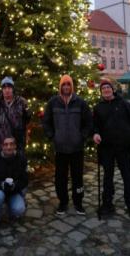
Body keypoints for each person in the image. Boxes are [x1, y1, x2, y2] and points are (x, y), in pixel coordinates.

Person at [93, 80, 130, 219]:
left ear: (112, 89)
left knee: (127, 177)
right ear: (101, 92)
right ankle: (107, 204)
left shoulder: (123, 104)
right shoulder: (98, 107)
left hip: (123, 147)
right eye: (103, 88)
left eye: (108, 87)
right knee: (107, 177)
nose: (106, 90)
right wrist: (96, 133)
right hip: (107, 148)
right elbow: (95, 125)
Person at [43, 74, 93, 215]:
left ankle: (78, 203)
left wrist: (82, 137)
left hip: (76, 148)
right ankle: (63, 202)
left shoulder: (80, 102)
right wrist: (52, 136)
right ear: (60, 86)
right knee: (60, 177)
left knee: (77, 177)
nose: (66, 87)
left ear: (72, 86)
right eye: (64, 85)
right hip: (60, 148)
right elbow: (46, 122)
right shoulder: (53, 102)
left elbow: (89, 122)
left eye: (68, 84)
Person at [0, 137, 28, 229]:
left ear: (15, 146)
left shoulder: (21, 160)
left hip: (14, 192)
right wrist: (1, 184)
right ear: (2, 146)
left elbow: (25, 181)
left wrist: (14, 186)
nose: (9, 147)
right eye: (6, 144)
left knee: (19, 210)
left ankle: (11, 208)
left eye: (11, 144)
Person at [0, 77, 31, 154]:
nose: (7, 90)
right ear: (2, 90)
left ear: (13, 89)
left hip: (17, 141)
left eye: (9, 87)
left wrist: (25, 136)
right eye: (4, 88)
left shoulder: (22, 102)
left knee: (18, 164)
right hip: (0, 141)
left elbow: (27, 119)